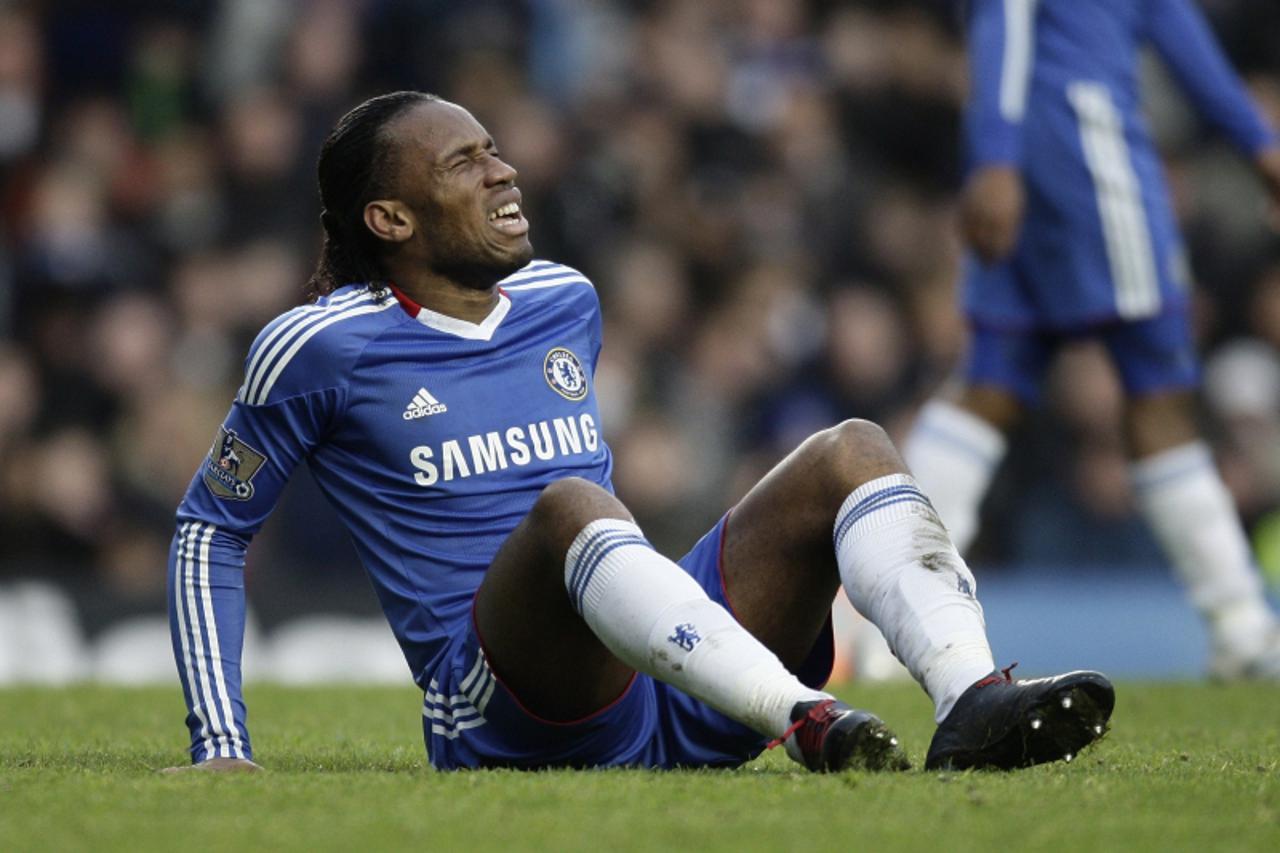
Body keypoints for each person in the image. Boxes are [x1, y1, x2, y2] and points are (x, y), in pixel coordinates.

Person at [165, 91, 1113, 775]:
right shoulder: (318, 345)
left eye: (495, 150)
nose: (503, 171)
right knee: (572, 504)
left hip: (661, 674)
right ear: (389, 217)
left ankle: (971, 699)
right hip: (503, 710)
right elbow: (211, 528)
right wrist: (220, 743)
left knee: (852, 448)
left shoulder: (563, 298)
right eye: (463, 163)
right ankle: (805, 716)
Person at [904, 0, 1280, 679]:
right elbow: (1005, 13)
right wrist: (994, 158)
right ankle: (1242, 626)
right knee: (1156, 382)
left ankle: (893, 617)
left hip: (1035, 150)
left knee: (989, 384)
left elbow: (1172, 24)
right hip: (1084, 148)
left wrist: (1259, 142)